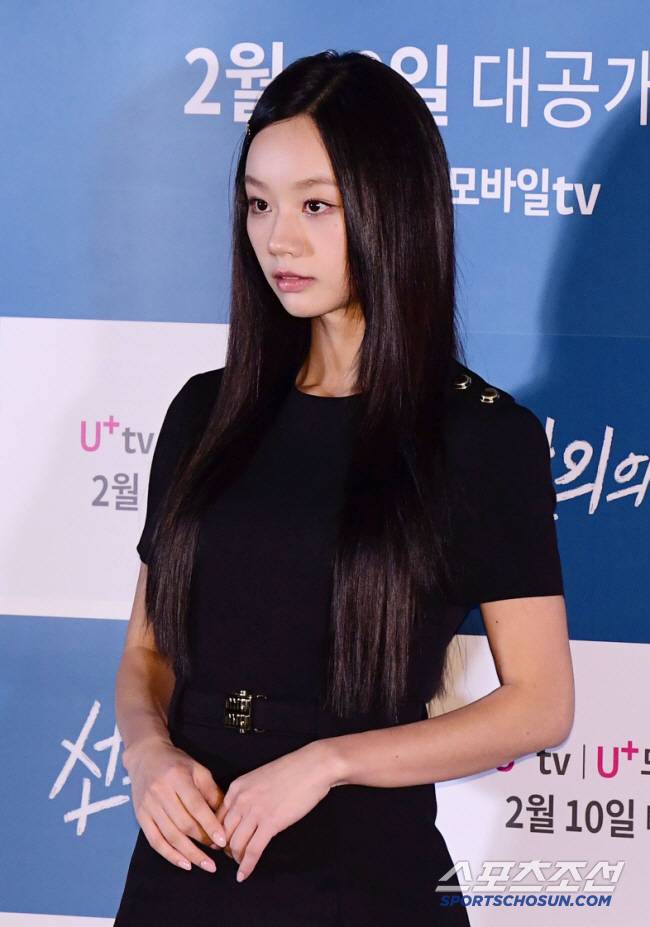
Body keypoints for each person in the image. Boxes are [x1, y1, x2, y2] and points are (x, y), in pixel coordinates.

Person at [113, 49, 574, 926]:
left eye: (316, 205)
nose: (278, 239)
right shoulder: (204, 411)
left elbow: (540, 703)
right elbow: (146, 652)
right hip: (181, 865)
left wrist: (328, 762)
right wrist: (146, 753)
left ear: (391, 207)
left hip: (362, 874)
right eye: (259, 203)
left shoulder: (479, 436)